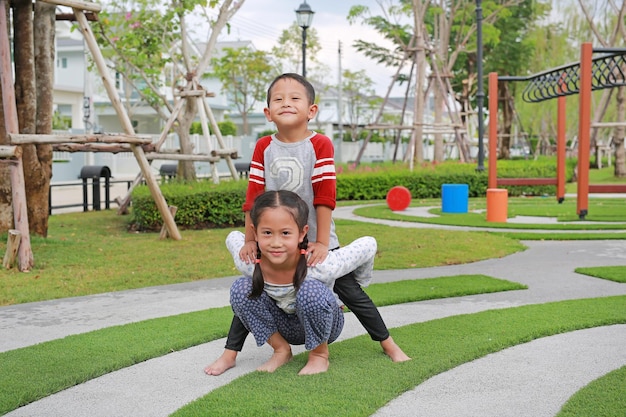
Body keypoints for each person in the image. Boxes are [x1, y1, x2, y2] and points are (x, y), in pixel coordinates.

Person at [205, 73, 409, 376]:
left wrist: (323, 243)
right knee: (252, 287)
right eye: (278, 99)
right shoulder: (264, 146)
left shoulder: (320, 144)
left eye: (294, 98)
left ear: (311, 111)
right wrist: (250, 240)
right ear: (268, 112)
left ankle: (388, 344)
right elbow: (253, 197)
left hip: (317, 243)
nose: (286, 103)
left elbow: (325, 196)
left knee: (351, 293)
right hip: (273, 241)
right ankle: (232, 352)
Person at [228, 190, 375, 375]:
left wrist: (362, 279)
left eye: (285, 233)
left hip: (326, 325)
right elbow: (232, 236)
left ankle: (319, 355)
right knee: (240, 289)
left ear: (302, 233)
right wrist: (248, 243)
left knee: (310, 289)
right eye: (266, 232)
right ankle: (281, 350)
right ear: (254, 232)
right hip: (283, 326)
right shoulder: (248, 261)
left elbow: (369, 244)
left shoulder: (320, 265)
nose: (275, 242)